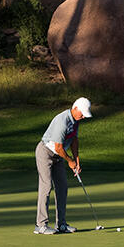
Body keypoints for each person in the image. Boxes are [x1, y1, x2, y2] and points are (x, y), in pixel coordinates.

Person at [34, 96, 92, 235]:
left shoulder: (76, 120)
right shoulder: (62, 121)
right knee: (46, 186)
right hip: (45, 152)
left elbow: (74, 140)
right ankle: (40, 225)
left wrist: (77, 160)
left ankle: (61, 224)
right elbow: (58, 147)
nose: (83, 116)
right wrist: (70, 161)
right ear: (75, 108)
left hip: (58, 156)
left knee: (62, 187)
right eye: (82, 113)